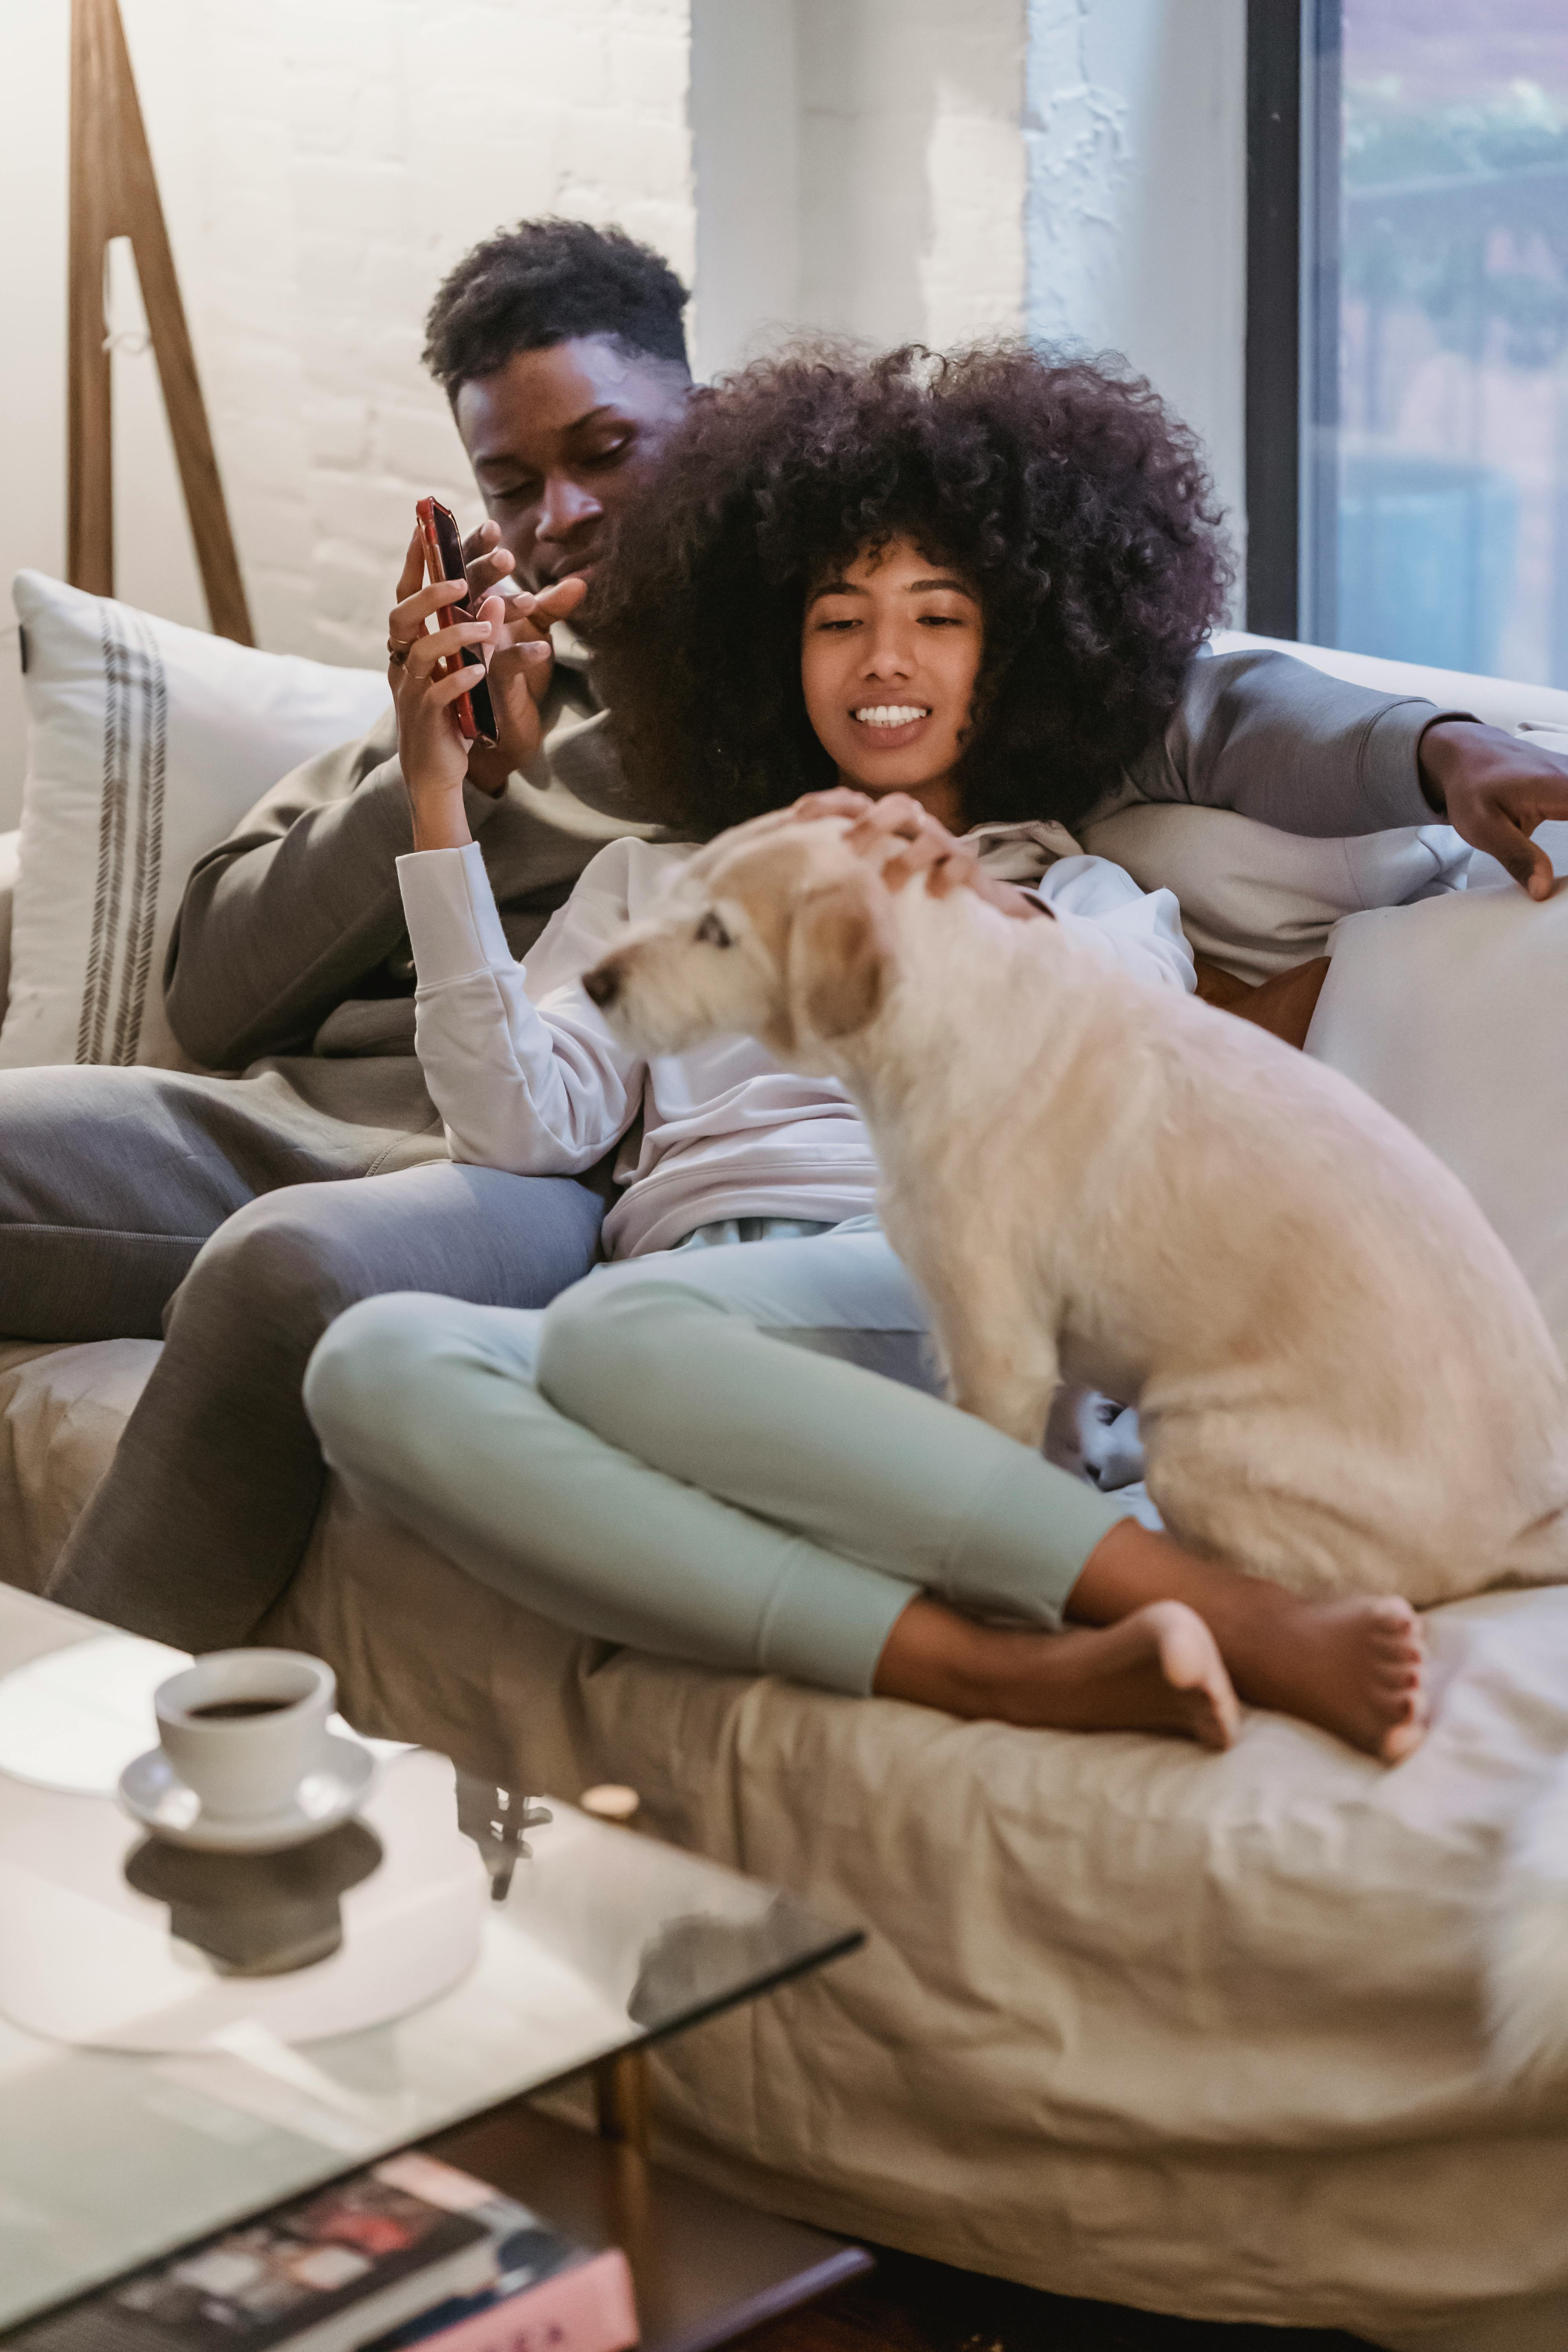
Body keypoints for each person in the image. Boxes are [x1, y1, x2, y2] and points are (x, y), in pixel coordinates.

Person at [15, 221, 1568, 1653]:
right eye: (510, 483)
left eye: (607, 452)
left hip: (572, 1185)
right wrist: (434, 786)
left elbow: (1205, 703)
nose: (559, 512)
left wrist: (1436, 745)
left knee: (410, 1303)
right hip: (452, 1110)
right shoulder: (524, 711)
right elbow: (215, 992)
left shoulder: (975, 789)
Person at [305, 348, 1431, 1760]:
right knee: (372, 1365)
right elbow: (516, 1128)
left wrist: (920, 897)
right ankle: (992, 1670)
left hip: (942, 1290)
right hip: (681, 1323)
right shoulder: (660, 891)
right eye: (840, 618)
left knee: (617, 1328)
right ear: (774, 650)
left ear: (1011, 661)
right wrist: (433, 799)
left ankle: (1224, 1609)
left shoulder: (1079, 899)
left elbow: (1084, 1110)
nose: (886, 659)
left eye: (939, 618)